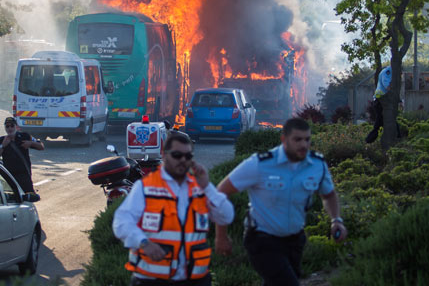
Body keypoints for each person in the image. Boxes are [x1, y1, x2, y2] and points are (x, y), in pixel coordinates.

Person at [215, 118, 346, 286]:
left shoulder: (316, 165)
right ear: (284, 139)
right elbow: (221, 192)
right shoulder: (260, 164)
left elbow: (329, 196)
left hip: (295, 240)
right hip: (262, 240)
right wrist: (221, 235)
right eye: (297, 139)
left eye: (307, 139)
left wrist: (336, 220)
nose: (303, 145)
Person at [113, 131, 233, 285]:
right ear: (164, 155)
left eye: (188, 156)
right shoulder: (145, 187)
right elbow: (121, 222)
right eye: (177, 155)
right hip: (153, 280)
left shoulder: (200, 188)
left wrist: (207, 186)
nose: (183, 160)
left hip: (195, 280)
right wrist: (144, 242)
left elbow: (226, 216)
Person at [0, 117, 44, 193]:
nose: (10, 128)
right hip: (10, 177)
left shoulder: (24, 136)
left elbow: (41, 147)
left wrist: (31, 143)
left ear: (16, 126)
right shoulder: (0, 140)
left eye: (12, 126)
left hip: (25, 176)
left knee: (29, 199)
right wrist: (3, 146)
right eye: (7, 126)